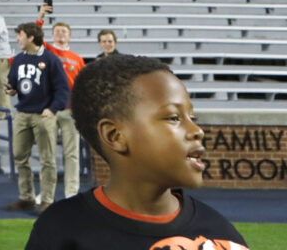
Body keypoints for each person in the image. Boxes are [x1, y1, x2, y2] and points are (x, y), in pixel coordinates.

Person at [26, 55, 248, 250]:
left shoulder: (219, 237)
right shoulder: (60, 230)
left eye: (193, 118)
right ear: (115, 136)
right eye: (173, 118)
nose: (197, 131)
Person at [5, 22, 68, 214]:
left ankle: (47, 199)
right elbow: (13, 83)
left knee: (47, 159)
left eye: (20, 35)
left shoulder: (51, 60)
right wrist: (11, 89)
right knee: (19, 156)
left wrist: (52, 109)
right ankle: (26, 197)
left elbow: (63, 90)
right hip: (23, 113)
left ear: (31, 38)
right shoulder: (17, 59)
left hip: (43, 115)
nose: (18, 39)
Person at [37, 5, 86, 200]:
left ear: (70, 36)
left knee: (71, 154)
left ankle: (71, 193)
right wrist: (41, 15)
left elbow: (82, 84)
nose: (60, 34)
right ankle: (46, 192)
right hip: (49, 108)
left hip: (69, 110)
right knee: (47, 153)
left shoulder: (77, 59)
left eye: (64, 32)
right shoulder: (47, 51)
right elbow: (35, 35)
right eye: (57, 31)